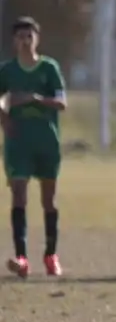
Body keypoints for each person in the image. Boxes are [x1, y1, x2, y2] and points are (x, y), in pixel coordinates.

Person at [0, 17, 68, 278]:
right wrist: (5, 120)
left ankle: (51, 255)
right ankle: (22, 257)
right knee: (18, 195)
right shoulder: (7, 72)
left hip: (46, 141)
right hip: (19, 143)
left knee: (48, 199)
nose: (25, 41)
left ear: (37, 39)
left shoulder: (49, 68)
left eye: (29, 36)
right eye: (20, 37)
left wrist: (35, 99)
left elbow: (62, 103)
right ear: (14, 41)